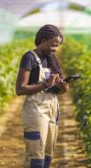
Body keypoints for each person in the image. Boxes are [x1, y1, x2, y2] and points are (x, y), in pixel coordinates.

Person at [15, 24, 69, 168]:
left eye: (57, 46)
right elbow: (20, 89)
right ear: (43, 40)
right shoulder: (29, 57)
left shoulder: (52, 59)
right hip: (36, 109)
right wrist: (45, 84)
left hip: (52, 106)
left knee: (47, 154)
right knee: (36, 156)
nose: (55, 49)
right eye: (53, 45)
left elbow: (56, 90)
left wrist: (63, 88)